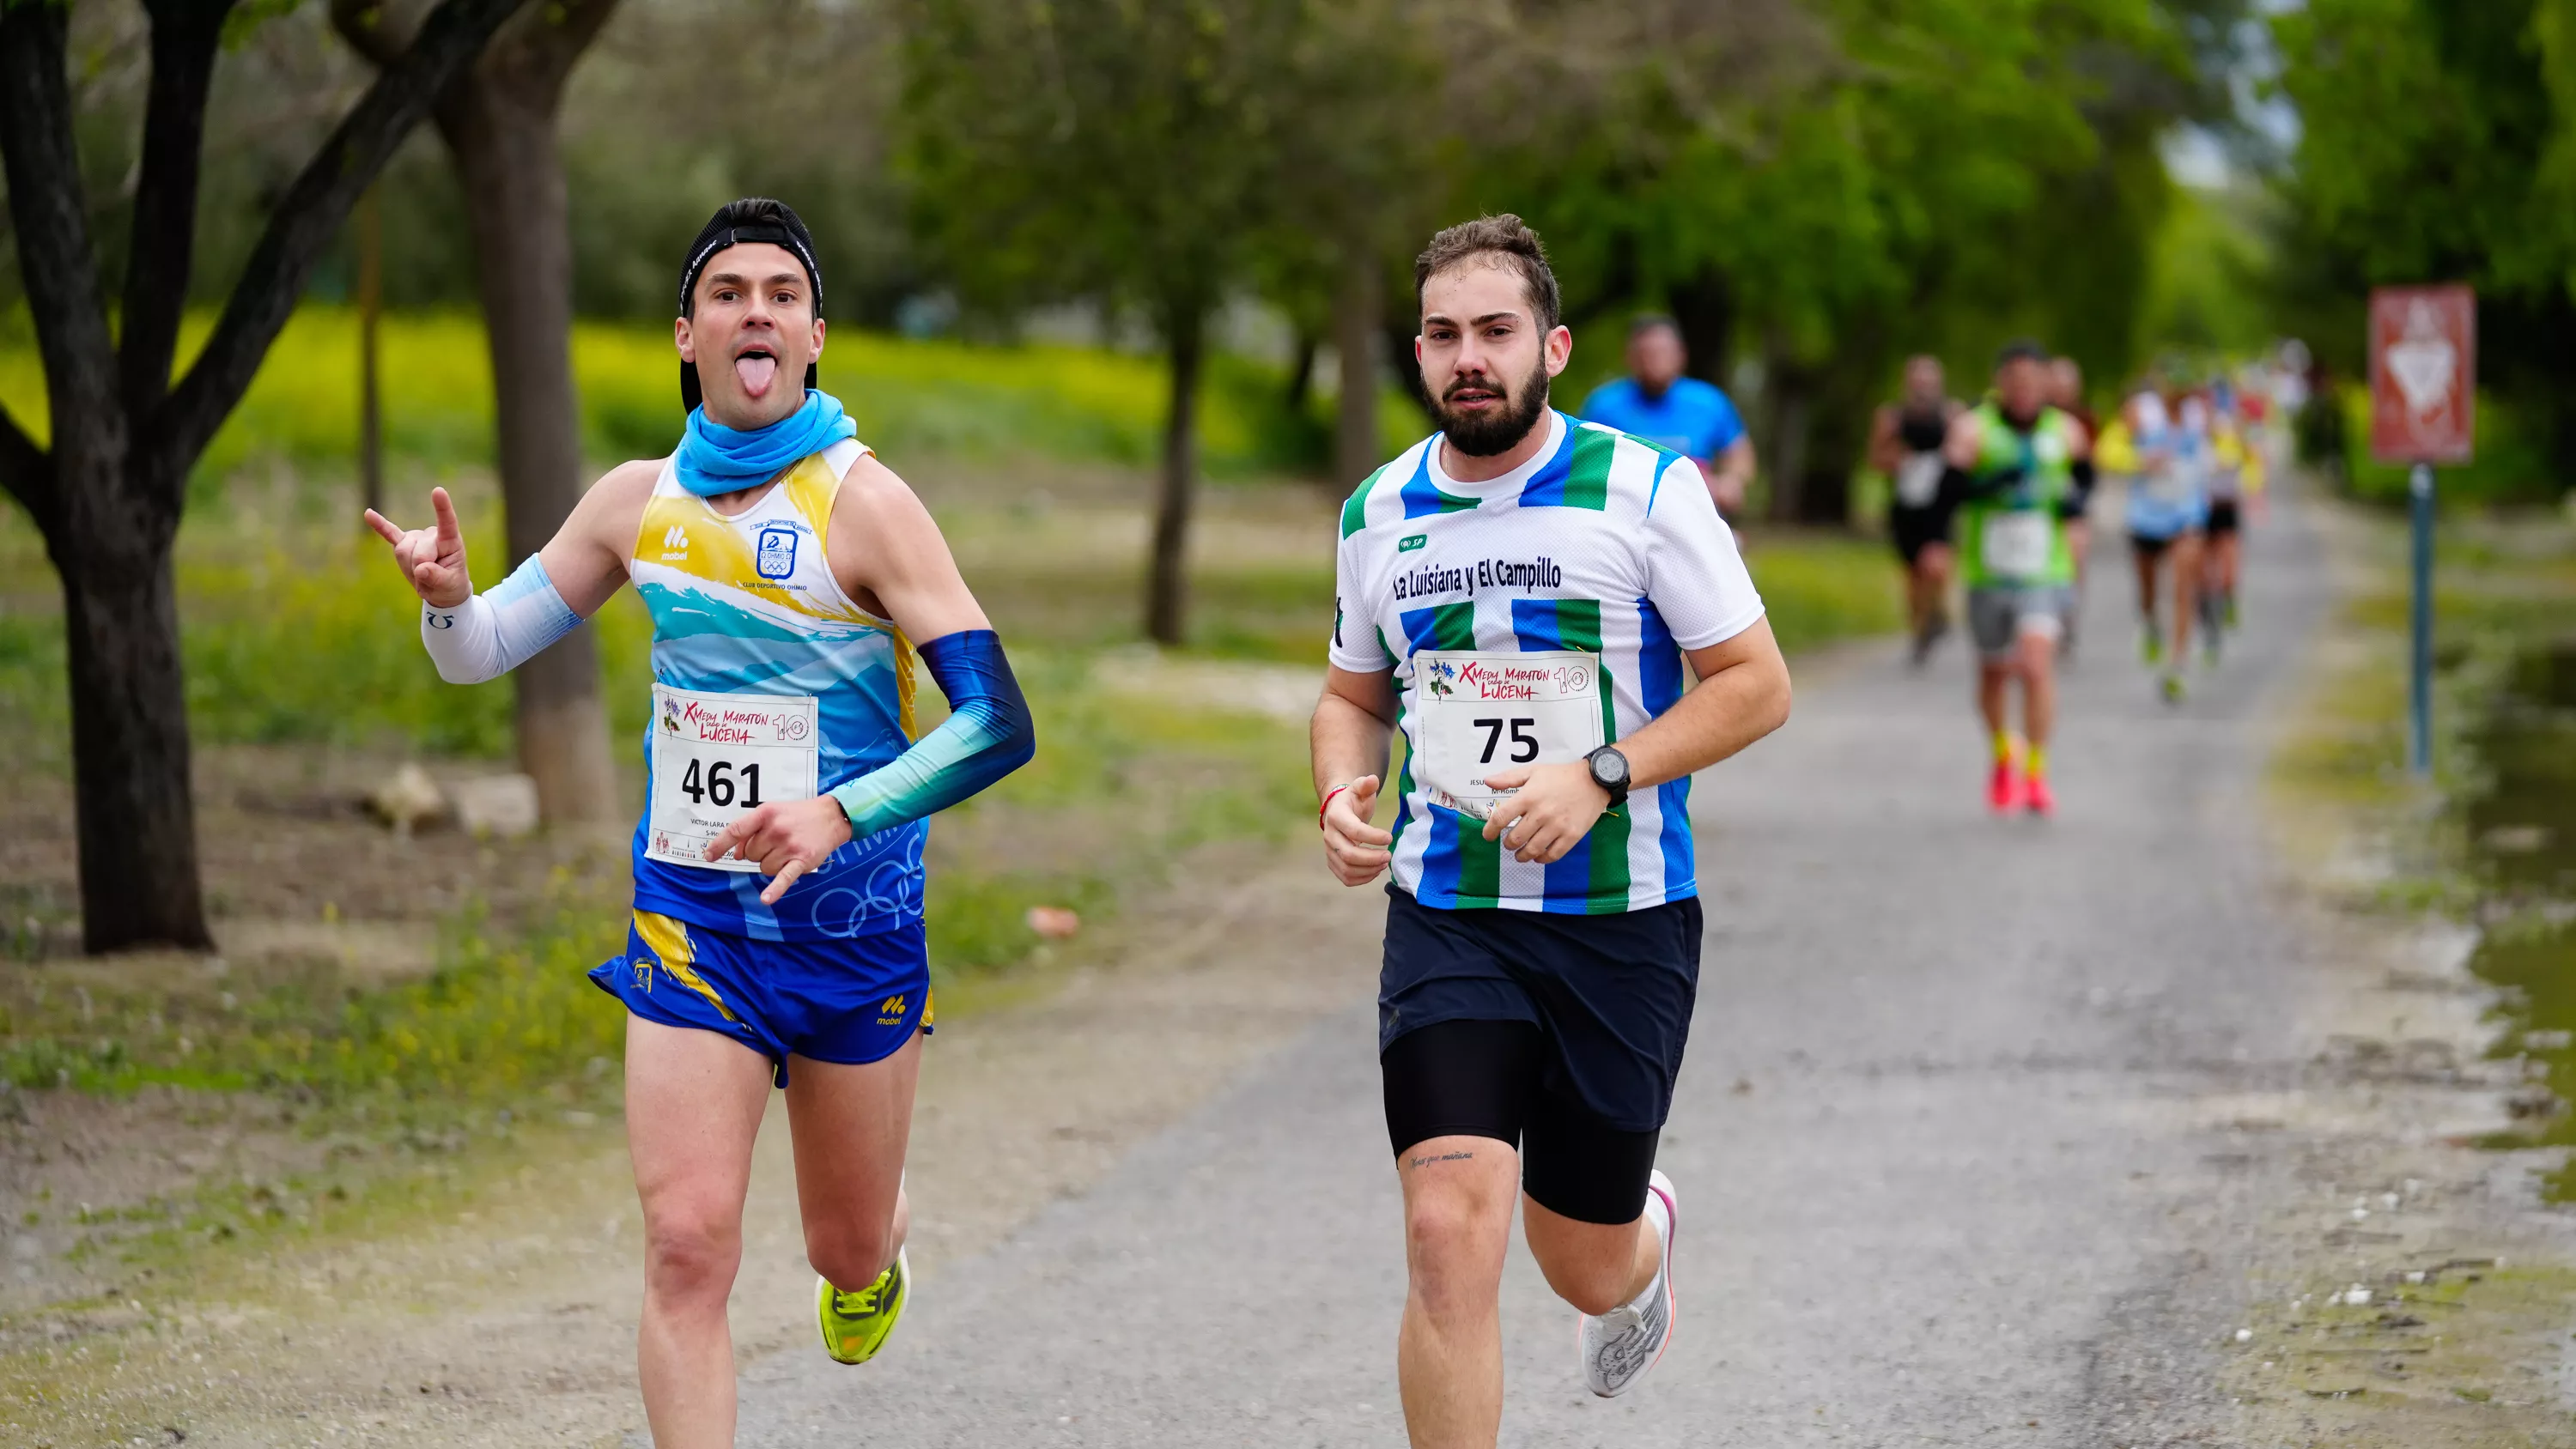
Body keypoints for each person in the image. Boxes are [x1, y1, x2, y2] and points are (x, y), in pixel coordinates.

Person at [365, 198, 1036, 1448]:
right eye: (728, 293)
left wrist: (842, 810)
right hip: (694, 926)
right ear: (688, 335)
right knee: (685, 1249)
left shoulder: (868, 506)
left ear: (816, 335)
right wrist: (449, 601)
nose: (756, 313)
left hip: (850, 933)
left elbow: (999, 722)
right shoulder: (636, 501)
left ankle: (874, 1252)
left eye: (782, 294)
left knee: (837, 1252)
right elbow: (479, 653)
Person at [1314, 215, 1790, 1444]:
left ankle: (1643, 1237)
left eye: (1496, 331)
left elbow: (1753, 682)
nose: (1468, 357)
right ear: (1416, 353)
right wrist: (1337, 787)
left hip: (1618, 922)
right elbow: (1352, 695)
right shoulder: (1376, 513)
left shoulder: (1644, 489)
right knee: (1444, 1234)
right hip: (1448, 918)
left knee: (1579, 1264)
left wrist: (1608, 772)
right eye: (1442, 334)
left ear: (1554, 346)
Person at [1944, 342, 2089, 816]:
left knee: (2035, 665)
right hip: (1988, 570)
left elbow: (2085, 482)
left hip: (2045, 569)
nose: (2024, 390)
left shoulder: (2065, 431)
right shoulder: (1973, 429)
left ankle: (2037, 770)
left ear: (2047, 383)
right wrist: (1990, 483)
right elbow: (1949, 491)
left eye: (2033, 381)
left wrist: (2074, 504)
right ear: (2001, 382)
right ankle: (2004, 754)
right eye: (2015, 381)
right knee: (1992, 674)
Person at [1579, 314, 1757, 519]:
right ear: (1630, 357)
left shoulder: (1708, 401)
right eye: (1647, 353)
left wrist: (1731, 481)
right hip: (1625, 515)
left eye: (1663, 352)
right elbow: (1581, 462)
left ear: (1681, 355)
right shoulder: (1604, 405)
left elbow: (1740, 453)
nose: (1655, 362)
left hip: (1695, 514)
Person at [2104, 379, 2205, 701]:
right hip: (2146, 516)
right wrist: (2140, 461)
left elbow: (2230, 445)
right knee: (2148, 588)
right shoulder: (2141, 411)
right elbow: (2107, 451)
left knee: (2182, 588)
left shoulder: (2200, 414)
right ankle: (2149, 623)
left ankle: (2177, 664)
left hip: (2186, 514)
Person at [1867, 355, 1960, 665]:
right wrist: (1898, 460)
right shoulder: (1892, 418)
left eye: (1928, 382)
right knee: (1913, 576)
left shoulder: (1951, 415)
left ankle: (1940, 610)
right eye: (1917, 382)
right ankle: (1921, 629)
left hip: (1939, 505)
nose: (1923, 388)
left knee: (1937, 565)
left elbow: (1964, 455)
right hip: (1906, 505)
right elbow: (1876, 460)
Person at [2045, 355, 2100, 657]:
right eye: (2057, 383)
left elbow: (2089, 469)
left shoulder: (2083, 419)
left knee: (2075, 555)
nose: (2062, 390)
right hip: (2039, 502)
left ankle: (2068, 618)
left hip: (2071, 501)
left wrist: (2078, 495)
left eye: (2068, 384)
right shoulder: (2033, 416)